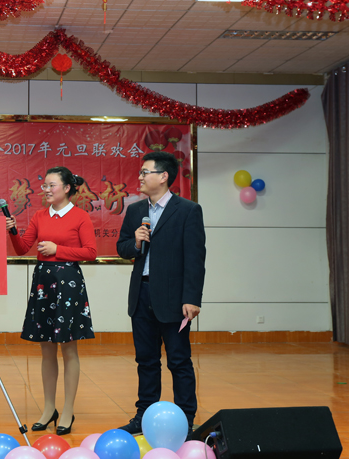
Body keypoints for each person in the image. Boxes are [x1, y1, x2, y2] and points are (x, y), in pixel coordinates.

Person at [116, 151, 206, 436]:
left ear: (164, 176)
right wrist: (135, 242)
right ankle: (144, 416)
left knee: (179, 360)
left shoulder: (188, 210)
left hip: (174, 299)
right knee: (146, 360)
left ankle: (186, 419)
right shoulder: (135, 211)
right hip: (141, 294)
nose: (140, 177)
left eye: (146, 172)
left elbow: (195, 259)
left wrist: (191, 298)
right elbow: (122, 248)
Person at [5, 166, 97, 435]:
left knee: (68, 348)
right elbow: (22, 249)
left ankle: (67, 410)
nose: (45, 189)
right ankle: (48, 408)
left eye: (51, 185)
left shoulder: (80, 216)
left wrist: (59, 250)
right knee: (46, 348)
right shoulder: (39, 215)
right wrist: (13, 231)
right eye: (44, 185)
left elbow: (91, 252)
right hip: (44, 284)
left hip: (68, 283)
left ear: (67, 188)